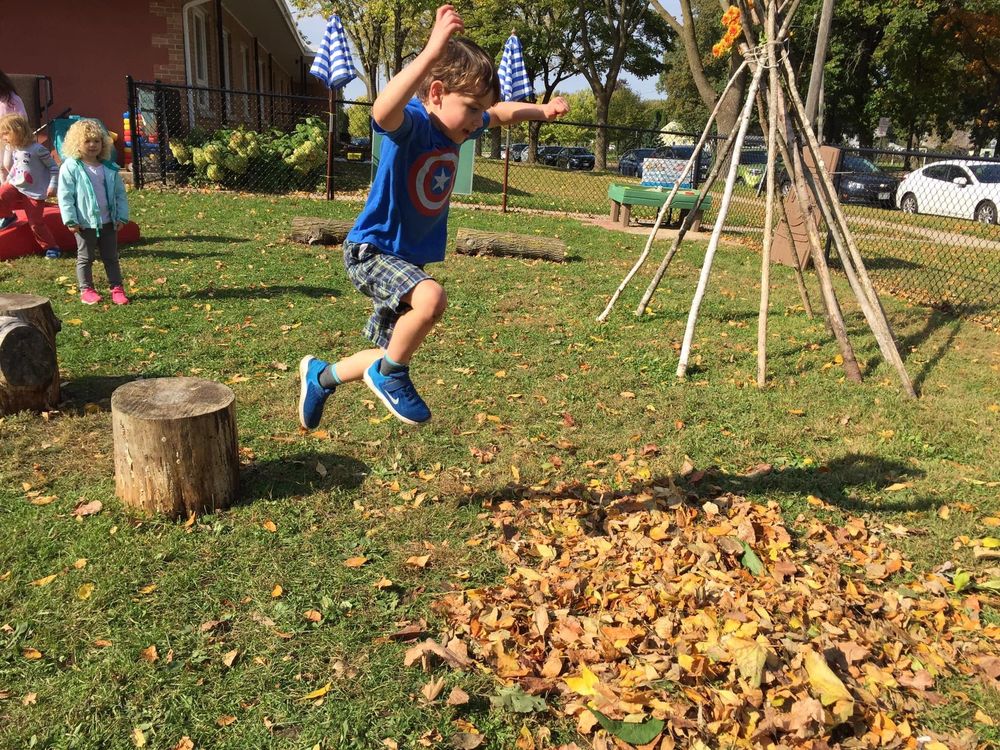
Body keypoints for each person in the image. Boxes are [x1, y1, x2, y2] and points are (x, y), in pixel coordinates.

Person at [297, 4, 568, 428]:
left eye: (481, 111)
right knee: (431, 299)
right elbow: (381, 111)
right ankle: (393, 377)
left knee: (387, 351)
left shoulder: (462, 127)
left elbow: (503, 113)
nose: (479, 119)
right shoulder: (416, 125)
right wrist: (427, 54)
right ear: (437, 93)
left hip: (406, 260)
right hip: (372, 250)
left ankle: (321, 377)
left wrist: (542, 110)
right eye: (472, 107)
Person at [57, 119, 130, 305]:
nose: (92, 145)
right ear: (76, 143)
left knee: (111, 257)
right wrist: (70, 219)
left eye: (97, 141)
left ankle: (117, 288)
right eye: (87, 141)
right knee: (85, 257)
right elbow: (65, 196)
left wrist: (121, 216)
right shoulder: (71, 168)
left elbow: (120, 194)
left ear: (103, 143)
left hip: (108, 222)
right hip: (84, 223)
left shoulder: (109, 168)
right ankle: (86, 290)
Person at [0, 113, 61, 259]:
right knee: (1, 195)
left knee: (35, 223)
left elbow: (54, 167)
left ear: (18, 131)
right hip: (16, 185)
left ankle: (52, 247)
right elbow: (17, 166)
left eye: (6, 134)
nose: (3, 138)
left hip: (34, 191)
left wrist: (53, 185)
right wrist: (8, 179)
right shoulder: (16, 149)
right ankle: (9, 216)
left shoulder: (38, 149)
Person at [0, 71, 27, 228]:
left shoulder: (12, 100)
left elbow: (22, 120)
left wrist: (16, 137)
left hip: (10, 139)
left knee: (8, 164)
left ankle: (11, 197)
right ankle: (5, 207)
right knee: (1, 170)